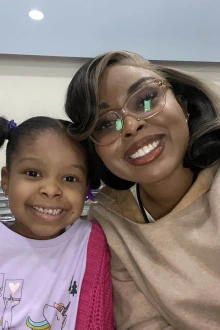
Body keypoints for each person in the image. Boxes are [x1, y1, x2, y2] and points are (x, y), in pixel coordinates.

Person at [65, 50, 220, 330]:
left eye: (146, 99)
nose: (132, 125)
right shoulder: (109, 220)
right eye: (105, 124)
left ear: (183, 105)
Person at [0, 116, 114, 330]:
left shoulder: (94, 242)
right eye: (33, 173)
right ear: (6, 180)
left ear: (86, 189)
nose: (51, 190)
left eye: (70, 179)